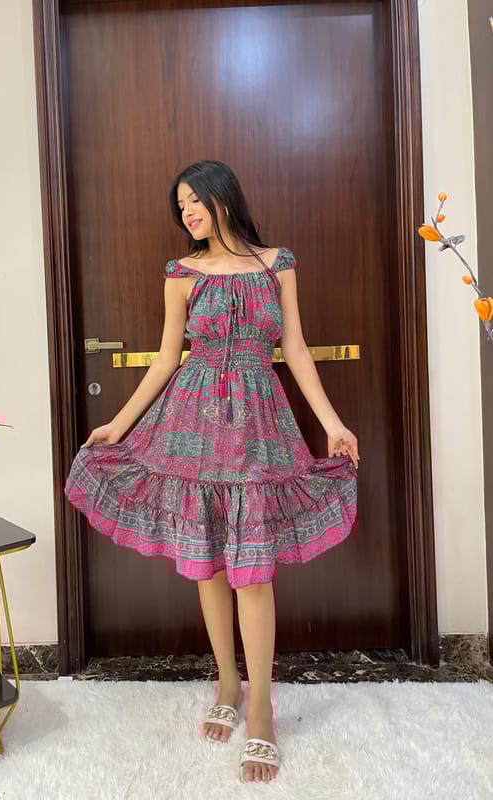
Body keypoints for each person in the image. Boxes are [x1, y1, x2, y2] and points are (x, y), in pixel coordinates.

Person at [65, 160, 359, 784]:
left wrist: (333, 423)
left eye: (194, 199)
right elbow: (166, 358)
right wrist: (118, 424)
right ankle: (227, 681)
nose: (188, 212)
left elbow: (294, 349)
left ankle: (260, 707)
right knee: (208, 561)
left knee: (252, 571)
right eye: (181, 205)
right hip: (191, 425)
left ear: (223, 197)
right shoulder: (181, 273)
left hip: (259, 424)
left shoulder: (277, 264)